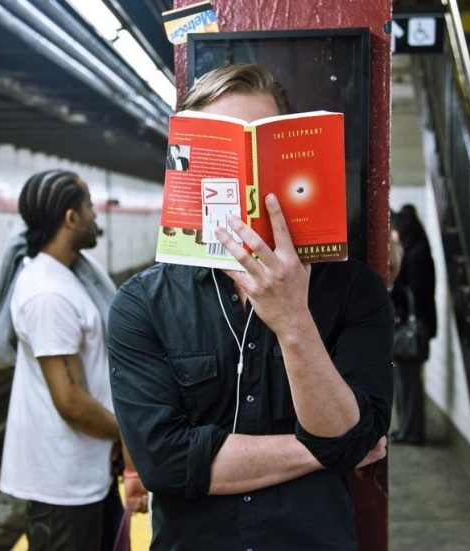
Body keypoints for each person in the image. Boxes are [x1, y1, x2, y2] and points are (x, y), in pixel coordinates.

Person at [107, 64, 393, 551]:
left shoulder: (354, 290)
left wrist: (293, 320)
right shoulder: (141, 305)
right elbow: (164, 464)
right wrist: (319, 452)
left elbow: (347, 435)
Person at [0, 169, 144, 551]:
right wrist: (128, 436)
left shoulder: (66, 278)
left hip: (84, 473)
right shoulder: (49, 294)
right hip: (62, 487)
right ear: (70, 218)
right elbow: (71, 401)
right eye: (89, 206)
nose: (96, 215)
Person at [389, 205, 436, 445]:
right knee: (405, 384)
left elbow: (414, 293)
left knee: (410, 386)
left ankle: (412, 432)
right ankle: (406, 430)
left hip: (412, 330)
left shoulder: (415, 255)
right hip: (415, 328)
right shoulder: (418, 251)